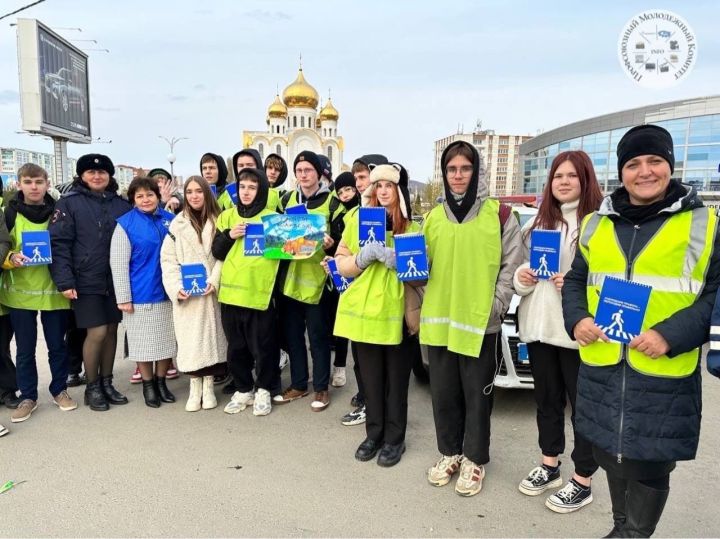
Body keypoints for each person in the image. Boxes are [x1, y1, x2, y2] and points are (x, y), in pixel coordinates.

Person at [562, 124, 720, 538]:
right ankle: (621, 526)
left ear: (670, 165)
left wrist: (671, 334)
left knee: (649, 458)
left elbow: (716, 294)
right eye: (633, 163)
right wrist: (577, 319)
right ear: (621, 171)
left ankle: (634, 533)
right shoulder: (598, 223)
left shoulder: (705, 224)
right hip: (603, 365)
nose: (644, 171)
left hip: (662, 371)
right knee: (611, 453)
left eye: (655, 161)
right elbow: (577, 280)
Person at [422, 140, 521, 496]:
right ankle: (449, 452)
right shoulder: (432, 217)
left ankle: (474, 459)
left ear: (475, 171)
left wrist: (497, 304)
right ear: (445, 173)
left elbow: (512, 265)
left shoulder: (500, 215)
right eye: (452, 169)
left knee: (478, 397)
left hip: (481, 323)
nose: (458, 175)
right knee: (443, 394)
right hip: (441, 323)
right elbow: (421, 265)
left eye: (465, 168)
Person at [513, 151, 603, 512]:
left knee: (582, 408)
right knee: (546, 402)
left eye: (572, 176)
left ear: (585, 179)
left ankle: (583, 479)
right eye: (557, 176)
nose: (563, 182)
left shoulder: (599, 224)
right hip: (538, 327)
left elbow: (612, 279)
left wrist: (581, 283)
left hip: (576, 332)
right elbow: (520, 268)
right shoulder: (537, 223)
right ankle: (549, 463)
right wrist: (523, 278)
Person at [333, 163, 421, 467]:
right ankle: (374, 434)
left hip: (397, 313)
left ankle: (395, 439)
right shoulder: (358, 219)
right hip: (365, 313)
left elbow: (422, 275)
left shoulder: (411, 225)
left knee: (396, 383)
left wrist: (404, 261)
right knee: (371, 382)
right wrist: (363, 257)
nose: (383, 192)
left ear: (399, 191)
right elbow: (340, 262)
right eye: (378, 186)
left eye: (389, 186)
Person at [49, 154, 132, 412]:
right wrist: (64, 280)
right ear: (81, 176)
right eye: (90, 172)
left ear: (109, 176)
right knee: (96, 332)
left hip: (115, 279)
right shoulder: (69, 203)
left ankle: (107, 382)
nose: (97, 176)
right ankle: (92, 386)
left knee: (111, 331)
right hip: (85, 279)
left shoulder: (121, 205)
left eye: (102, 173)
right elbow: (59, 244)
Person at [1, 164, 75, 423]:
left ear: (47, 183)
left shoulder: (59, 212)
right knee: (25, 348)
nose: (34, 187)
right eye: (28, 181)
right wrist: (10, 258)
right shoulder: (8, 214)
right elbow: (1, 246)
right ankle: (28, 397)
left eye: (38, 182)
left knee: (57, 345)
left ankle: (59, 390)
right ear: (19, 184)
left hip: (55, 291)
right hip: (21, 293)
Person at [273, 151, 344, 411]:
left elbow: (341, 244)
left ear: (319, 174)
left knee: (318, 337)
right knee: (293, 336)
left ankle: (322, 388)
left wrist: (330, 245)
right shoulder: (286, 200)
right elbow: (276, 236)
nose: (303, 175)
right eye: (299, 170)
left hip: (318, 282)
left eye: (308, 170)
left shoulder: (332, 203)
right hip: (290, 281)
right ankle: (299, 384)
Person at [211, 168, 280, 416]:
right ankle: (243, 389)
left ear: (261, 189)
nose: (247, 191)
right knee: (236, 347)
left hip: (260, 295)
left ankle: (264, 389)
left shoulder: (273, 218)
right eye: (242, 187)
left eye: (252, 187)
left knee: (263, 347)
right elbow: (217, 252)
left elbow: (291, 252)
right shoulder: (227, 217)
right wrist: (230, 235)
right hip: (230, 295)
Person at [110, 177, 177, 408]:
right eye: (140, 196)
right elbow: (118, 264)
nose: (146, 199)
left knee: (167, 343)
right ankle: (149, 385)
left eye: (150, 194)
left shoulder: (171, 220)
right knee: (144, 344)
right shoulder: (125, 224)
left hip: (169, 293)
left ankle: (161, 383)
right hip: (140, 295)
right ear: (133, 200)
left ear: (158, 196)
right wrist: (124, 298)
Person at [161, 175, 226, 412]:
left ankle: (208, 386)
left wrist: (215, 280)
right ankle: (194, 387)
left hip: (210, 292)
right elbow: (168, 260)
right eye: (189, 192)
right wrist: (176, 287)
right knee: (191, 343)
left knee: (211, 340)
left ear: (207, 193)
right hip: (188, 295)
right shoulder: (176, 225)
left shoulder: (219, 220)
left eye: (199, 191)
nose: (194, 196)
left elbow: (223, 255)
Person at [339, 154, 389, 427]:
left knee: (381, 367)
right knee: (360, 360)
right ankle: (368, 404)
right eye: (356, 178)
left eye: (363, 177)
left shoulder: (391, 215)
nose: (359, 183)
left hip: (382, 301)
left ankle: (378, 411)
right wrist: (338, 263)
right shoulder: (354, 215)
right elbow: (344, 253)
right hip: (358, 297)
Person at [325, 171, 360, 389]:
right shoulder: (338, 214)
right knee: (339, 321)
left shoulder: (366, 211)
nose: (345, 194)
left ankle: (342, 367)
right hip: (340, 271)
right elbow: (338, 243)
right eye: (341, 192)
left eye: (348, 189)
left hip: (360, 271)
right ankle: (339, 366)